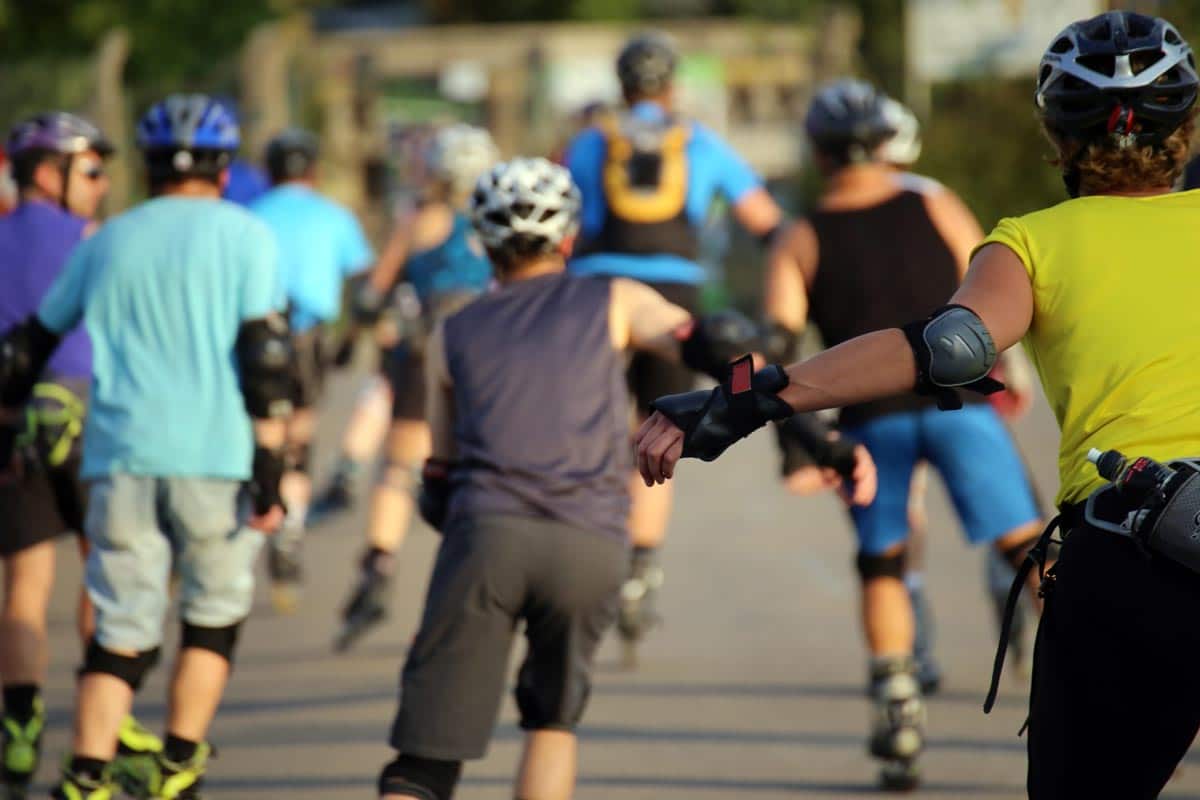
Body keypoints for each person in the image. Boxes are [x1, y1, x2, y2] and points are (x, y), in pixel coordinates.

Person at [638, 10, 1200, 797]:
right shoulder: (934, 198)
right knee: (1012, 542)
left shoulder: (1034, 240)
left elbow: (951, 347)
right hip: (1033, 456)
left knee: (891, 561)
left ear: (1058, 135)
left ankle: (896, 687)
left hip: (1129, 551)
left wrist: (751, 399)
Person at [376, 156, 821, 800]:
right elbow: (718, 344)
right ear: (568, 238)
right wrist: (807, 431)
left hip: (487, 539)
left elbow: (440, 479)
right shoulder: (614, 298)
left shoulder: (452, 331)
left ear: (484, 242)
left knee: (420, 767)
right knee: (551, 724)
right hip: (589, 543)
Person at [720, 78, 1046, 789]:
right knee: (1031, 550)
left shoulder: (800, 235)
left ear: (817, 151)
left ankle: (897, 704)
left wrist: (793, 441)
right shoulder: (931, 200)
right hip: (960, 404)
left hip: (870, 420)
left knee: (884, 561)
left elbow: (776, 344)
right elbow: (991, 283)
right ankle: (1104, 681)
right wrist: (1012, 372)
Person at [0, 93, 289, 799]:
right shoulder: (247, 235)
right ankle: (176, 767)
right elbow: (265, 360)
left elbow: (27, 346)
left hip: (121, 455)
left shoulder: (107, 240)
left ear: (150, 169)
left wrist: (10, 425)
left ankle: (86, 774)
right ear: (223, 171)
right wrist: (274, 468)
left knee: (119, 629)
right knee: (209, 621)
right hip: (215, 455)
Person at [564, 31, 784, 657]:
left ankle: (580, 548)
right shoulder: (701, 143)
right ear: (672, 87)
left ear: (621, 85)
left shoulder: (589, 142)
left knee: (588, 427)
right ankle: (640, 570)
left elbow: (564, 218)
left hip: (597, 294)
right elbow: (766, 223)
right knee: (658, 429)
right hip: (677, 297)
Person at [326, 123, 500, 650]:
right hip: (491, 362)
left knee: (400, 471)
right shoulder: (498, 225)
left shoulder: (421, 220)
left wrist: (354, 338)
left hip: (424, 358)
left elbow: (372, 294)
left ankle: (379, 568)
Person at [0, 111, 123, 798]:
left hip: (14, 421)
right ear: (51, 173)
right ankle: (101, 727)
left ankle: (18, 727)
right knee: (105, 571)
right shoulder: (94, 241)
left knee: (24, 584)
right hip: (92, 417)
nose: (103, 186)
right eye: (93, 170)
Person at [249, 128, 375, 613]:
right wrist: (351, 341)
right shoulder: (333, 215)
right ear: (314, 171)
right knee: (299, 433)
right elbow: (364, 288)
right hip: (308, 337)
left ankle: (260, 509)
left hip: (257, 330)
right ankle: (290, 526)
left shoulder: (251, 214)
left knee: (263, 431)